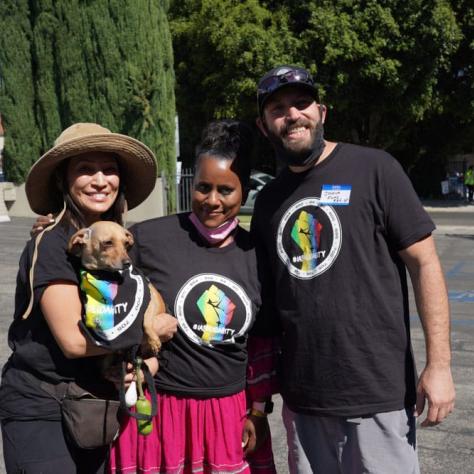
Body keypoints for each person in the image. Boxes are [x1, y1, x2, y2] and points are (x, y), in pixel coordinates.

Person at [251, 65, 455, 473]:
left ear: (322, 111)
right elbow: (269, 307)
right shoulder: (269, 202)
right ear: (263, 125)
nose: (292, 115)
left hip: (376, 394)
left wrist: (440, 366)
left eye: (301, 103)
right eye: (278, 108)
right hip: (304, 402)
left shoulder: (375, 169)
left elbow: (425, 263)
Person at [0, 123, 177, 473]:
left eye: (109, 169)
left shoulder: (123, 247)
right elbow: (75, 342)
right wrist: (150, 332)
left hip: (96, 407)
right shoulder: (53, 243)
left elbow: (133, 312)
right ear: (63, 180)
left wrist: (147, 364)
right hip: (43, 408)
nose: (100, 180)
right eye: (85, 169)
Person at [109, 120, 277, 474]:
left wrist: (259, 411)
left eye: (225, 190)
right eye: (203, 188)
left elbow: (261, 343)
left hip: (227, 414)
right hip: (159, 408)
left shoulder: (258, 255)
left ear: (244, 192)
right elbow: (104, 291)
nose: (212, 201)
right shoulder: (147, 239)